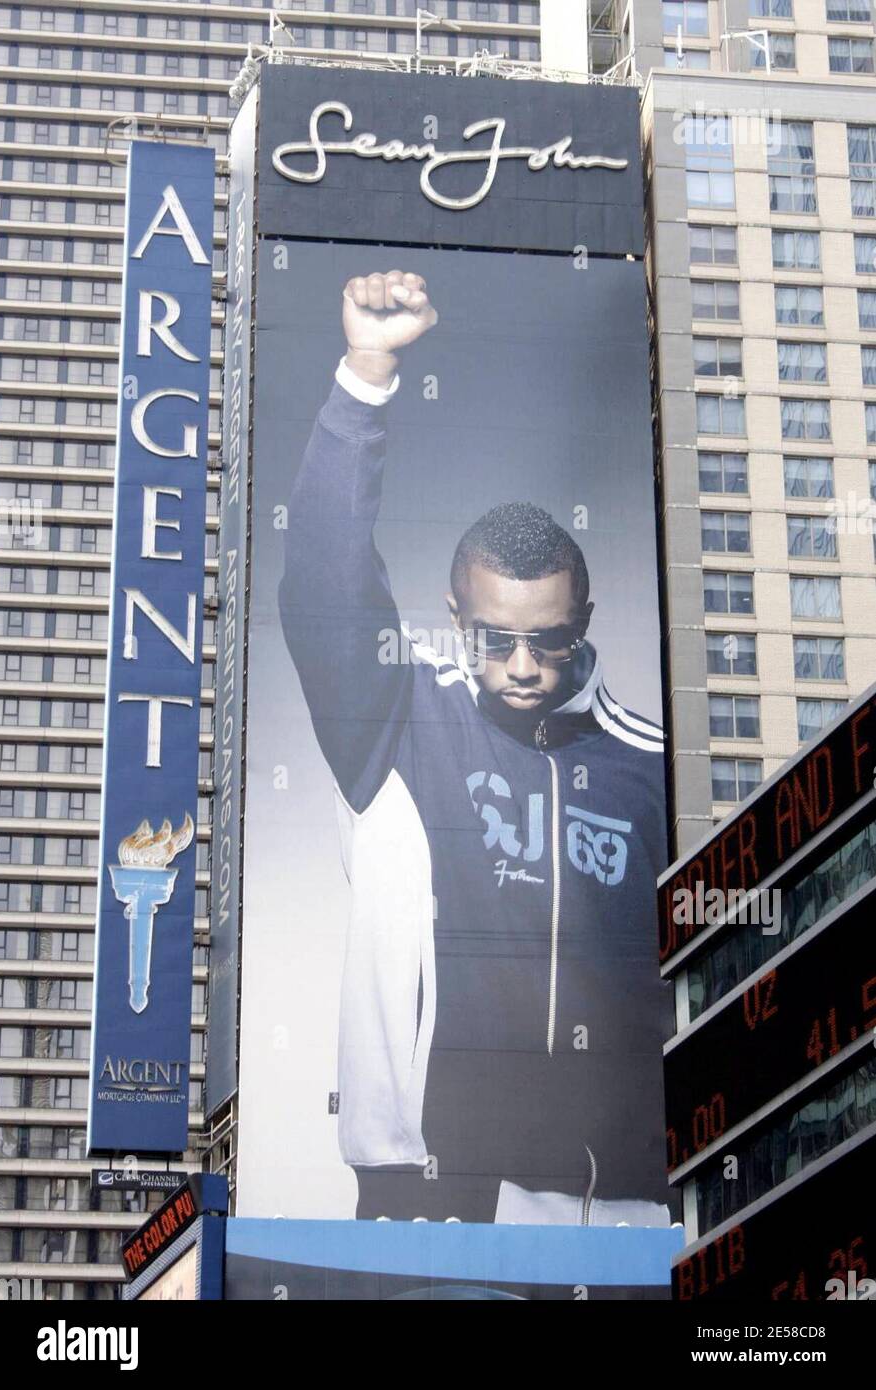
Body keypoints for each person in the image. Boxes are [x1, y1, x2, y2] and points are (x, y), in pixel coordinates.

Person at [279, 269, 671, 1225]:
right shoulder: (399, 718)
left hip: (631, 1211)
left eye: (549, 639)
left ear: (585, 621)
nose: (523, 665)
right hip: (434, 1196)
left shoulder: (653, 769)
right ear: (456, 617)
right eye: (494, 639)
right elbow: (322, 580)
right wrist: (366, 373)